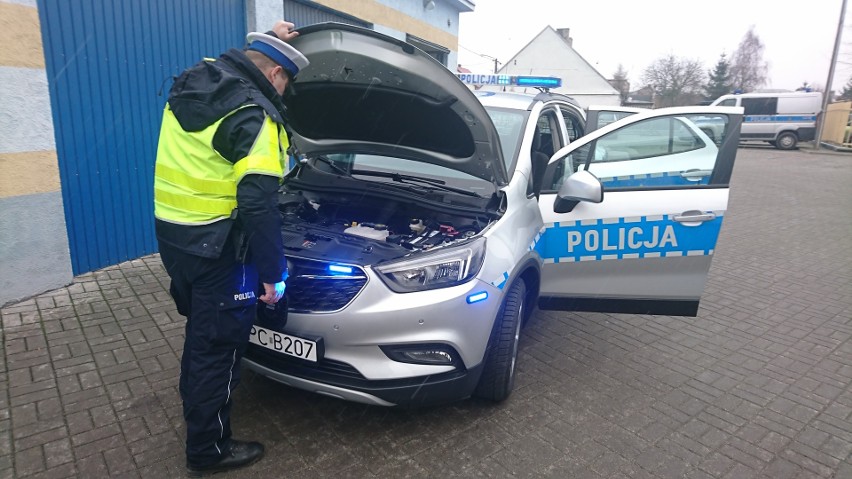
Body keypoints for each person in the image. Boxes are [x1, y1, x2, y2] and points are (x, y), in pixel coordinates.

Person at [152, 20, 308, 476]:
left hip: (175, 236)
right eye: (288, 83)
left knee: (202, 337)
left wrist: (268, 37)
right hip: (219, 249)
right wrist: (272, 275)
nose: (286, 92)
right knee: (218, 349)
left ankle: (194, 410)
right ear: (277, 76)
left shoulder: (197, 79)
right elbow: (258, 206)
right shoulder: (254, 117)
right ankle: (208, 449)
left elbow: (241, 61)